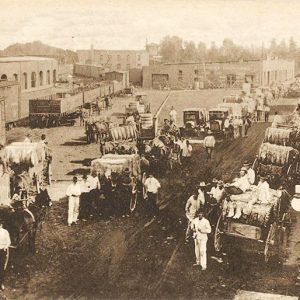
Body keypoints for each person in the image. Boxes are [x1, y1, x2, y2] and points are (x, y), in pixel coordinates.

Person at [0, 220, 11, 290]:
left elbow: (9, 242)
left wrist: (6, 246)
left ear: (1, 225)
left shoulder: (5, 232)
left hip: (2, 251)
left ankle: (1, 283)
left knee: (1, 268)